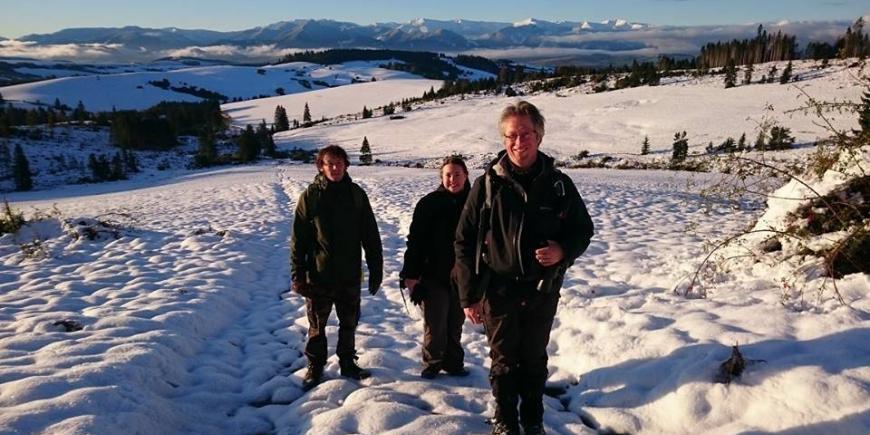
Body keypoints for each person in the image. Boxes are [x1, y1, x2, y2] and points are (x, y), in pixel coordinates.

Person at [454, 101, 594, 435]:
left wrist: (563, 250)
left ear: (539, 136)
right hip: (498, 288)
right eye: (512, 135)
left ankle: (533, 421)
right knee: (503, 359)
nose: (519, 142)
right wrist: (467, 296)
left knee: (533, 358)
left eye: (526, 133)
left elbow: (582, 230)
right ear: (504, 139)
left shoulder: (559, 184)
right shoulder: (487, 186)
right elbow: (463, 240)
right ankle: (505, 421)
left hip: (541, 288)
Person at [290, 145, 383, 391]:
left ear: (346, 165)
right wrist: (298, 274)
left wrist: (376, 269)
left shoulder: (356, 195)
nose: (335, 167)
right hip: (318, 275)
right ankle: (315, 365)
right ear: (321, 166)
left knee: (349, 322)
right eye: (329, 163)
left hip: (349, 274)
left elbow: (370, 235)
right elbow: (298, 239)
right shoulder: (310, 196)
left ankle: (347, 362)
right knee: (317, 326)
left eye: (339, 163)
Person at [401, 156, 471, 379]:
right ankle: (433, 362)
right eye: (448, 175)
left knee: (455, 321)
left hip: (464, 273)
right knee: (435, 320)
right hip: (432, 273)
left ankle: (453, 362)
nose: (453, 179)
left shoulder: (475, 203)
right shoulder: (429, 203)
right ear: (442, 177)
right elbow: (416, 241)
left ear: (466, 175)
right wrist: (411, 274)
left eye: (457, 174)